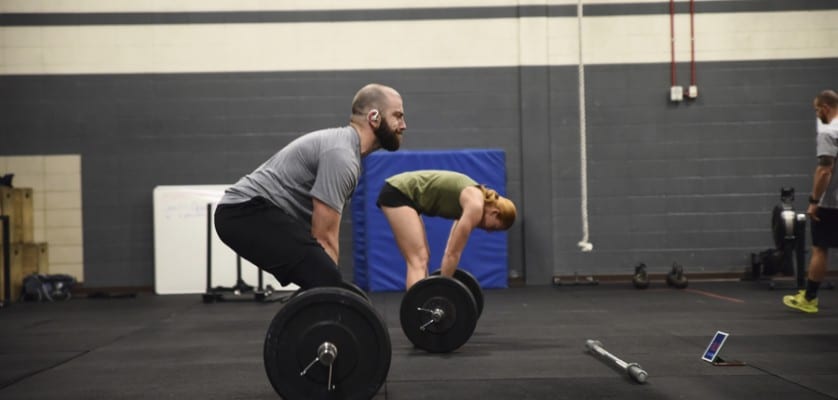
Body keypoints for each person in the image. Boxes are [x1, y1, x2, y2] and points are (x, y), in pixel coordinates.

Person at [214, 83, 406, 290]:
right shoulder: (341, 156)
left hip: (250, 212)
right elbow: (325, 237)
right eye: (397, 116)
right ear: (374, 118)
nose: (403, 125)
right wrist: (330, 286)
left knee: (321, 276)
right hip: (244, 212)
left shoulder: (347, 152)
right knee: (324, 277)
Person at [376, 170, 517, 289]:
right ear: (495, 213)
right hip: (399, 193)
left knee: (423, 257)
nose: (488, 231)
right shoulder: (475, 206)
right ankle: (417, 311)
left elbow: (451, 247)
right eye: (493, 227)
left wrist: (441, 287)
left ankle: (422, 304)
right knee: (418, 259)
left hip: (405, 196)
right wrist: (442, 291)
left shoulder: (472, 201)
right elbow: (453, 254)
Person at [783, 89, 838, 313]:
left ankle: (809, 298)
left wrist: (814, 201)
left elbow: (825, 170)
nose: (817, 115)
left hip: (831, 203)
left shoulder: (829, 132)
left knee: (820, 248)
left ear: (825, 108)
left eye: (817, 110)